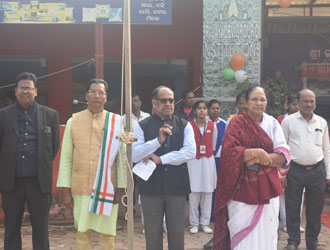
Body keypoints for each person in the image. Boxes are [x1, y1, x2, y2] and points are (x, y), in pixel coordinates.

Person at [213, 86, 290, 250]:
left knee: (267, 231)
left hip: (268, 187)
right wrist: (255, 152)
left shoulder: (273, 123)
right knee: (241, 229)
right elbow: (228, 153)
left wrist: (263, 158)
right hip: (242, 189)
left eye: (262, 99)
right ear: (246, 103)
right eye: (254, 99)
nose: (258, 103)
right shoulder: (236, 123)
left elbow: (283, 155)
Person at [56, 79, 127, 250]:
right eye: (93, 91)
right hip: (81, 188)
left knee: (107, 234)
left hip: (107, 187)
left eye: (101, 92)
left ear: (106, 97)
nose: (97, 95)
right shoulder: (73, 121)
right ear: (86, 95)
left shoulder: (116, 122)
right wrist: (64, 189)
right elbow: (65, 158)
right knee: (82, 232)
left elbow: (122, 157)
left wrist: (121, 188)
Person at [0, 72, 60, 250]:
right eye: (21, 88)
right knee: (11, 228)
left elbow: (54, 146)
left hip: (39, 181)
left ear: (35, 91)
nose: (25, 91)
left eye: (29, 88)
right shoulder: (3, 115)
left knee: (41, 230)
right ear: (16, 91)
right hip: (12, 182)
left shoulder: (50, 115)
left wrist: (41, 163)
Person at [132, 86, 196, 250]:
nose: (168, 104)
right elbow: (134, 155)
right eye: (163, 100)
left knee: (177, 236)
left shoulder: (184, 125)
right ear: (154, 103)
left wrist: (161, 159)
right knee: (152, 236)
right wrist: (157, 142)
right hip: (150, 189)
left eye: (171, 100)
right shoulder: (142, 126)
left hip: (176, 188)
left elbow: (190, 152)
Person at [281, 89, 330, 250]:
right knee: (293, 206)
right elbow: (282, 149)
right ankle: (293, 241)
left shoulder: (322, 122)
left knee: (315, 209)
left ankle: (312, 243)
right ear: (299, 102)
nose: (309, 104)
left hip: (317, 170)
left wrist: (328, 173)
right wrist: (282, 173)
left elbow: (326, 149)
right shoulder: (288, 122)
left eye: (311, 101)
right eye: (305, 101)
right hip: (294, 170)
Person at [204, 95, 243, 250]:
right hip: (230, 165)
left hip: (249, 170)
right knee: (229, 202)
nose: (244, 106)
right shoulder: (231, 122)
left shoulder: (263, 122)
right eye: (241, 103)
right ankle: (223, 237)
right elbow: (227, 146)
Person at [188, 100, 217, 234]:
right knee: (194, 192)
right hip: (194, 161)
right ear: (194, 111)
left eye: (204, 108)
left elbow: (214, 143)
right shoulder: (189, 126)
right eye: (199, 108)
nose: (202, 110)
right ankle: (194, 223)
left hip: (208, 161)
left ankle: (205, 223)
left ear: (207, 111)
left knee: (208, 192)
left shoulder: (212, 125)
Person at [276, 95, 304, 233]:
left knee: (299, 194)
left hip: (299, 164)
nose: (297, 107)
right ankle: (286, 222)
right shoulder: (280, 121)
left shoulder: (304, 120)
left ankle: (296, 223)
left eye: (298, 104)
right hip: (284, 163)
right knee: (283, 194)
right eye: (294, 104)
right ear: (287, 105)